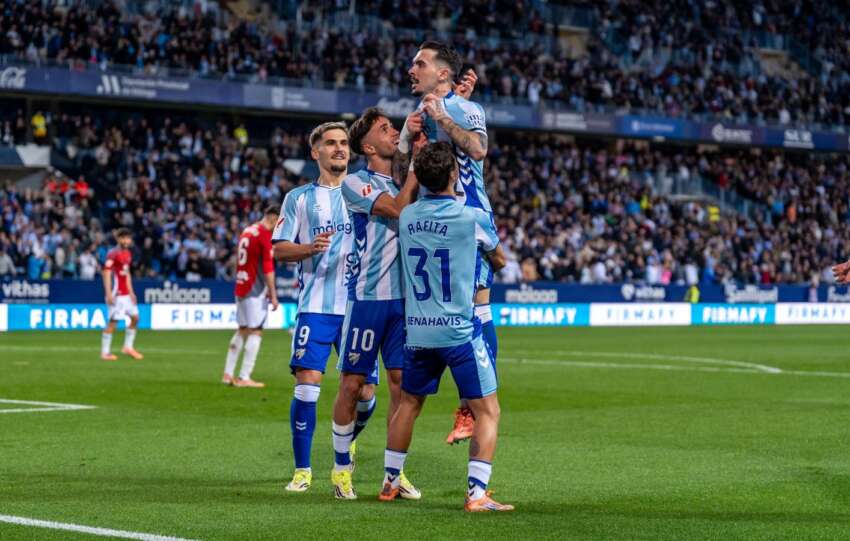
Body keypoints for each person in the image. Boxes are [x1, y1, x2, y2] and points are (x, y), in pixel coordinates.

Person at [380, 142, 511, 511]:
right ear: (454, 174)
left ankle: (390, 482)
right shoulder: (471, 217)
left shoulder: (406, 217)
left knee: (408, 405)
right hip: (459, 331)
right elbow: (499, 260)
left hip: (418, 330)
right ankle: (476, 494)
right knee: (488, 411)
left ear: (420, 178)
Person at [398, 40, 495, 444]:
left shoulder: (464, 109)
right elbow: (407, 169)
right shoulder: (424, 113)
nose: (411, 69)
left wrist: (447, 112)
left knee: (476, 305)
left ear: (442, 73)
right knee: (445, 315)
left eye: (419, 63)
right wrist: (408, 137)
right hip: (430, 221)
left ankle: (468, 409)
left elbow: (478, 148)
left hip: (466, 222)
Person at [272, 122, 377, 493]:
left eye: (344, 143)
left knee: (365, 393)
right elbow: (279, 248)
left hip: (360, 307)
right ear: (314, 151)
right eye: (330, 143)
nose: (339, 149)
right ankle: (302, 470)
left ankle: (346, 436)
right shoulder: (299, 199)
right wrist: (308, 248)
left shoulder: (368, 190)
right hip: (315, 305)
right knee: (308, 385)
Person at [329, 107, 423, 500]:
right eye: (386, 129)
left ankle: (393, 475)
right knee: (352, 384)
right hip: (368, 299)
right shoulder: (355, 182)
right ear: (368, 145)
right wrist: (417, 165)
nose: (394, 132)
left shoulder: (402, 179)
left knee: (402, 388)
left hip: (403, 303)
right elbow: (398, 211)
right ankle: (339, 470)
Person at [223, 205, 280, 388]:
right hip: (254, 289)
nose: (278, 226)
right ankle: (244, 377)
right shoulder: (264, 235)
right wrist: (273, 294)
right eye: (279, 221)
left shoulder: (248, 230)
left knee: (242, 329)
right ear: (273, 218)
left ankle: (227, 374)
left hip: (240, 285)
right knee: (255, 331)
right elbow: (268, 268)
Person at [101, 228, 143, 361]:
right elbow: (106, 273)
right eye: (123, 238)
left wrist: (131, 292)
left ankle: (128, 347)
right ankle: (105, 352)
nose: (126, 240)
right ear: (118, 239)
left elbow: (127, 273)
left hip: (126, 294)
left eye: (128, 238)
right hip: (117, 294)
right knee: (113, 323)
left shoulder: (127, 253)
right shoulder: (113, 254)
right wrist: (108, 294)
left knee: (135, 318)